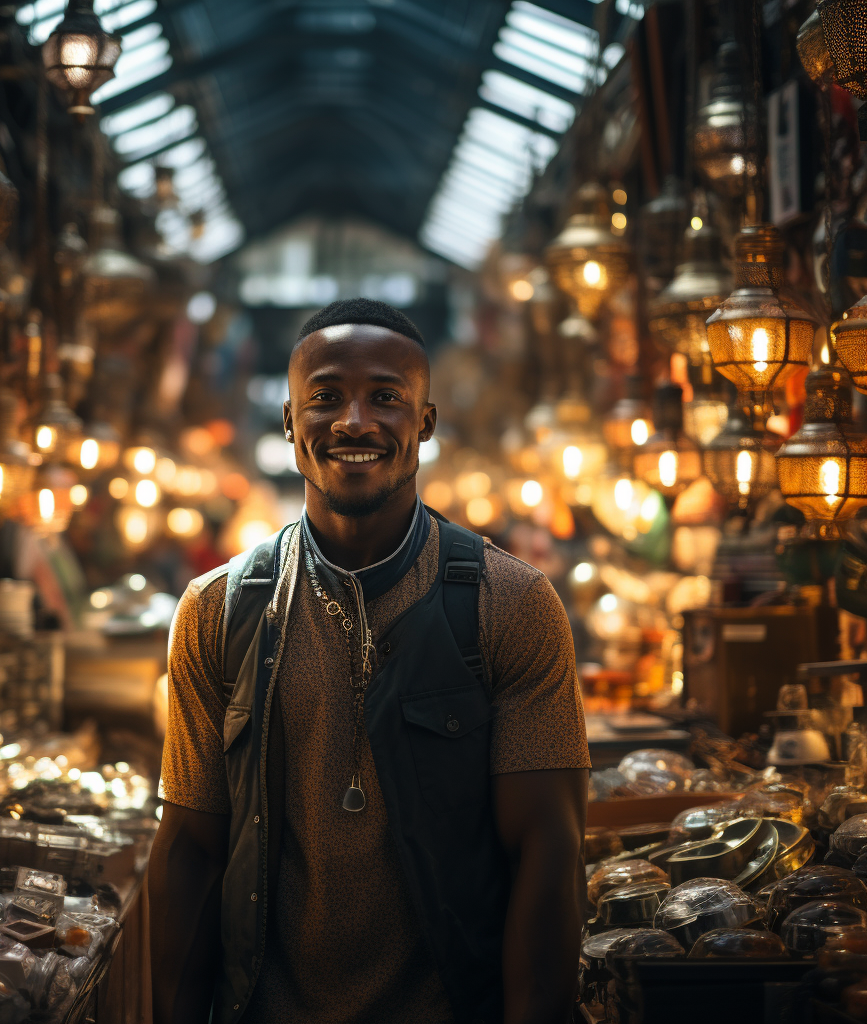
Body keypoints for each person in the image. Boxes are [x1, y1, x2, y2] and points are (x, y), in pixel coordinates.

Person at [149, 298, 590, 1024]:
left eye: (386, 397)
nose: (354, 420)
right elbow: (191, 851)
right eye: (324, 398)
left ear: (424, 423)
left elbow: (548, 854)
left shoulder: (510, 604)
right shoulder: (218, 609)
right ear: (291, 424)